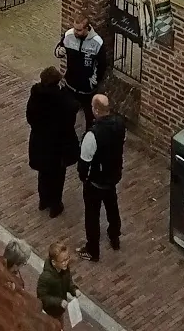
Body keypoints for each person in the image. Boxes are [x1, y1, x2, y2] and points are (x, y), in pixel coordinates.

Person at [76, 93, 126, 262]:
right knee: (112, 207)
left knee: (92, 215)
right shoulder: (119, 124)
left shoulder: (93, 134)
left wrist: (84, 178)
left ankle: (92, 250)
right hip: (112, 177)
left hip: (96, 182)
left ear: (97, 110)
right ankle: (114, 237)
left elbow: (84, 163)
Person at [27, 64, 80, 217]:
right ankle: (55, 205)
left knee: (43, 173)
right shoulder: (60, 98)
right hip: (57, 144)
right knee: (57, 175)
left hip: (40, 141)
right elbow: (73, 108)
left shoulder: (35, 95)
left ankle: (43, 200)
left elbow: (30, 117)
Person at [58, 16, 103, 132]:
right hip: (70, 84)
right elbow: (59, 48)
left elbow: (102, 65)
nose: (75, 32)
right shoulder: (69, 35)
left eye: (79, 30)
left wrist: (94, 81)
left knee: (89, 117)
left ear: (87, 28)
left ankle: (87, 137)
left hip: (86, 89)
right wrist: (59, 52)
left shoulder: (97, 42)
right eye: (74, 28)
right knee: (66, 114)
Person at [37, 240, 77, 320]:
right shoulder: (45, 277)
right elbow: (42, 297)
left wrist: (74, 289)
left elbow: (68, 281)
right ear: (54, 262)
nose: (66, 263)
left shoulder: (64, 268)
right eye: (63, 261)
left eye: (67, 259)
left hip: (59, 310)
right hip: (49, 312)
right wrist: (59, 302)